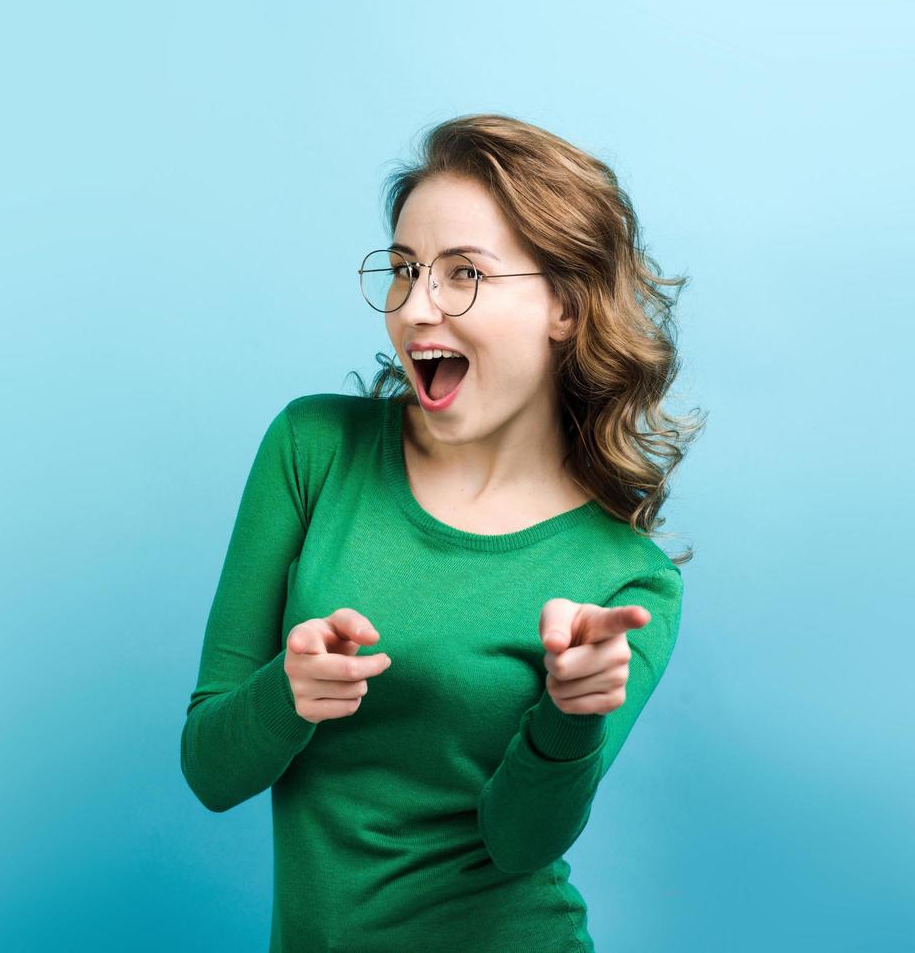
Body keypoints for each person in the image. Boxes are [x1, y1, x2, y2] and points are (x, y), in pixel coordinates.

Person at [180, 113, 705, 952]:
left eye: (464, 273)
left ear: (564, 306)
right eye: (403, 269)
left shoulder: (627, 581)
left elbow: (520, 842)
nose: (416, 306)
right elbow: (209, 768)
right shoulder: (314, 449)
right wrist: (287, 693)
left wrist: (570, 715)